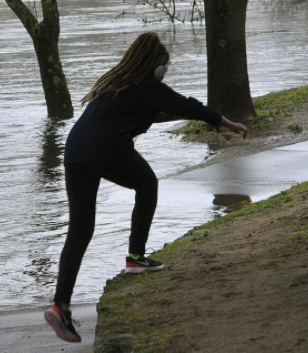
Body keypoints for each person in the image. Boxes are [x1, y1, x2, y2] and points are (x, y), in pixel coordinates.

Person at [44, 32, 248, 343]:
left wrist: (198, 116)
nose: (166, 71)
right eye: (165, 66)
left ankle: (60, 306)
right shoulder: (148, 86)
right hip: (106, 147)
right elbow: (187, 105)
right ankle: (135, 258)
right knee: (148, 185)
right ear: (155, 66)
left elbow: (163, 111)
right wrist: (228, 122)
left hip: (75, 151)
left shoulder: (116, 83)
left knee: (80, 229)